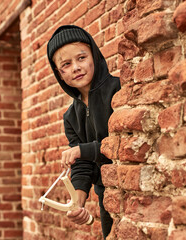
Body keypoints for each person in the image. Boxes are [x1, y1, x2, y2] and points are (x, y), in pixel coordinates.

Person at [47, 25, 121, 239]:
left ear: (94, 56)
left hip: (135, 186)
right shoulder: (70, 117)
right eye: (66, 64)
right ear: (59, 74)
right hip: (106, 195)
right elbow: (82, 165)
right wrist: (77, 202)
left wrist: (82, 150)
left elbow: (124, 144)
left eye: (81, 58)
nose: (76, 68)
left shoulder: (118, 89)